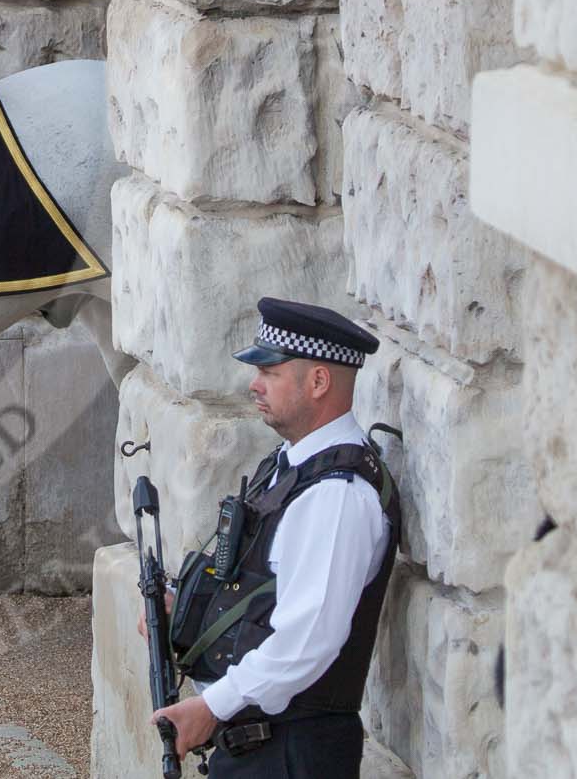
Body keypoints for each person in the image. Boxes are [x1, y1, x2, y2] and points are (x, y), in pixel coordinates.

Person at [147, 299, 402, 775]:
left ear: (319, 381)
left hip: (291, 753)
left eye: (270, 371)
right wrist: (180, 608)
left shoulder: (336, 498)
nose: (254, 384)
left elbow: (309, 640)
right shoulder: (290, 466)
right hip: (263, 747)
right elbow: (259, 589)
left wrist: (211, 707)